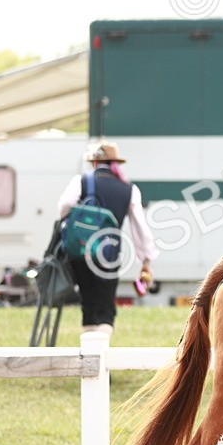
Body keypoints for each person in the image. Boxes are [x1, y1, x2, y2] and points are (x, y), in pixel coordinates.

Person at [56, 141, 158, 337]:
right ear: (115, 163)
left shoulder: (81, 181)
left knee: (88, 303)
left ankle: (89, 355)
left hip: (80, 251)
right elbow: (140, 228)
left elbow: (64, 206)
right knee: (105, 306)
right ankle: (100, 355)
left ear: (94, 162)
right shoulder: (128, 189)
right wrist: (145, 259)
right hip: (108, 254)